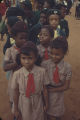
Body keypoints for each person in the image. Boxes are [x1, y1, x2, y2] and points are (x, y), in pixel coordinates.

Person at [11, 41, 49, 120]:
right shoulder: (17, 74)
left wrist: (47, 104)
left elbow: (45, 90)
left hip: (38, 101)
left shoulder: (42, 72)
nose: (26, 61)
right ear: (20, 58)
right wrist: (15, 108)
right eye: (23, 58)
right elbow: (15, 92)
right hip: (23, 102)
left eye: (30, 58)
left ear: (35, 58)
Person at [41, 37, 72, 120]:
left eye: (57, 54)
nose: (53, 56)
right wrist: (46, 91)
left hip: (58, 94)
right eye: (51, 53)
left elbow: (66, 86)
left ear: (64, 53)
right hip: (45, 93)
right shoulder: (44, 65)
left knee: (57, 113)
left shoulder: (67, 68)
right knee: (46, 112)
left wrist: (52, 90)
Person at [3, 21, 28, 112]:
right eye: (21, 38)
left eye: (26, 38)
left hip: (26, 78)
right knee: (13, 97)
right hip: (14, 79)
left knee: (24, 97)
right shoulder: (10, 51)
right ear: (14, 37)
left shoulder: (29, 49)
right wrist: (17, 63)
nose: (24, 40)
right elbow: (5, 67)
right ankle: (15, 113)